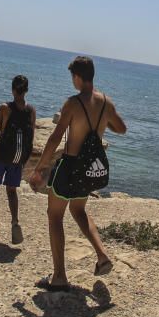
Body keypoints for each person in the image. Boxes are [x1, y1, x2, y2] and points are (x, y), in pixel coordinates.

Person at [28, 56, 126, 291]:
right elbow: (121, 129)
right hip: (89, 169)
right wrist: (102, 124)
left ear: (78, 77)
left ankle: (59, 277)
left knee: (54, 216)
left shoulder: (72, 103)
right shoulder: (106, 103)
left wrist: (39, 168)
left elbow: (54, 137)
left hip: (70, 167)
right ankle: (102, 255)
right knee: (79, 209)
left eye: (72, 76)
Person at [0, 75, 35, 245]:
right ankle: (15, 221)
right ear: (26, 90)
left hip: (1, 155)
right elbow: (31, 137)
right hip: (18, 158)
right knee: (11, 191)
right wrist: (24, 159)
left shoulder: (5, 108)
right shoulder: (31, 110)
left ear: (12, 89)